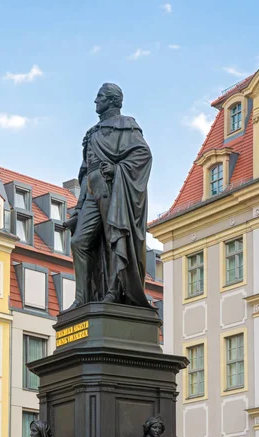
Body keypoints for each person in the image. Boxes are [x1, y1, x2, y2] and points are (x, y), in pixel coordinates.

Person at [65, 83, 152, 308]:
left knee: (115, 238)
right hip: (92, 188)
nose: (96, 101)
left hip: (112, 188)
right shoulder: (92, 133)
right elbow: (85, 172)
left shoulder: (127, 125)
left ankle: (114, 291)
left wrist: (118, 169)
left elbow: (143, 156)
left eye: (100, 96)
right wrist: (78, 208)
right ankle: (82, 298)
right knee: (79, 242)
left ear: (113, 100)